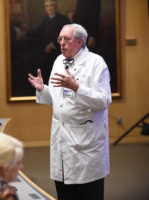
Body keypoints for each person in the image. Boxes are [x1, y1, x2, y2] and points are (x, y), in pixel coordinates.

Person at [28, 24, 112, 200]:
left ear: (80, 41)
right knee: (65, 194)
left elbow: (104, 101)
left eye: (67, 39)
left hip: (86, 145)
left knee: (88, 193)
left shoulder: (96, 63)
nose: (62, 43)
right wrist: (43, 89)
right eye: (60, 39)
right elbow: (58, 99)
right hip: (62, 142)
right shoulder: (59, 61)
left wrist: (77, 88)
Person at [26, 0, 70, 83]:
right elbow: (37, 31)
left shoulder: (63, 20)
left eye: (51, 5)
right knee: (30, 60)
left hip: (58, 52)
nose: (49, 8)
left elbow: (66, 36)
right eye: (47, 6)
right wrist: (24, 32)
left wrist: (52, 44)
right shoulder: (46, 20)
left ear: (56, 6)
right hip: (46, 51)